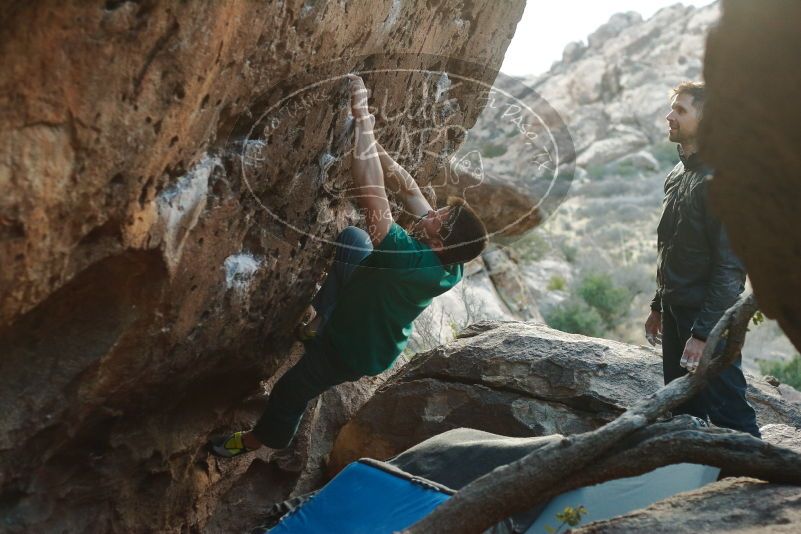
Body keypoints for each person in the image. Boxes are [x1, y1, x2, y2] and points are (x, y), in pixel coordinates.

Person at [209, 75, 489, 457]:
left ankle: (259, 441)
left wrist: (362, 119)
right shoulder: (451, 260)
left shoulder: (407, 259)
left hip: (352, 350)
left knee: (291, 391)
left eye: (440, 216)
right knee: (354, 240)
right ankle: (317, 323)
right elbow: (408, 188)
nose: (434, 209)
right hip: (368, 309)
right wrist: (371, 140)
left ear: (439, 241)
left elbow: (370, 189)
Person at [644, 81, 760, 437]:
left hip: (706, 320)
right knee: (681, 414)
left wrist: (704, 334)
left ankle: (764, 489)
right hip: (677, 314)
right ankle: (692, 486)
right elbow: (672, 245)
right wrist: (658, 305)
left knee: (731, 417)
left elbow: (729, 270)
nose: (669, 116)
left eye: (681, 110)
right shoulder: (677, 174)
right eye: (671, 108)